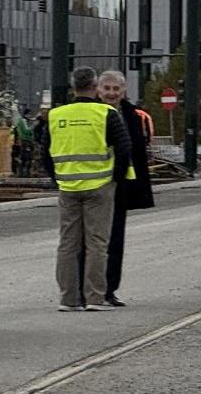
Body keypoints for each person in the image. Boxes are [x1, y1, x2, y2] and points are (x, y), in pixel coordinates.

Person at [42, 66, 130, 311]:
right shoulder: (106, 114)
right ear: (94, 87)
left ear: (73, 87)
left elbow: (45, 153)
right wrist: (115, 179)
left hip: (67, 186)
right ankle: (94, 297)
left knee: (68, 243)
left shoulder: (57, 115)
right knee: (97, 243)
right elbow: (124, 149)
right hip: (100, 186)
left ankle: (68, 299)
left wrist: (58, 177)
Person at [95, 70, 153, 307]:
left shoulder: (132, 115)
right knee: (92, 240)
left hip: (121, 186)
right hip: (94, 184)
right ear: (98, 90)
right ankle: (89, 289)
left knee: (115, 239)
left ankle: (109, 289)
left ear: (124, 91)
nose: (111, 93)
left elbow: (137, 151)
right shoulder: (91, 112)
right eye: (107, 88)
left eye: (115, 89)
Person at [11, 113, 35, 177]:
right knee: (27, 157)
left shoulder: (18, 123)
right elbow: (27, 130)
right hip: (26, 141)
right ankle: (25, 173)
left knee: (22, 158)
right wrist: (33, 127)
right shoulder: (23, 121)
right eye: (29, 114)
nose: (30, 116)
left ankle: (21, 173)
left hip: (20, 142)